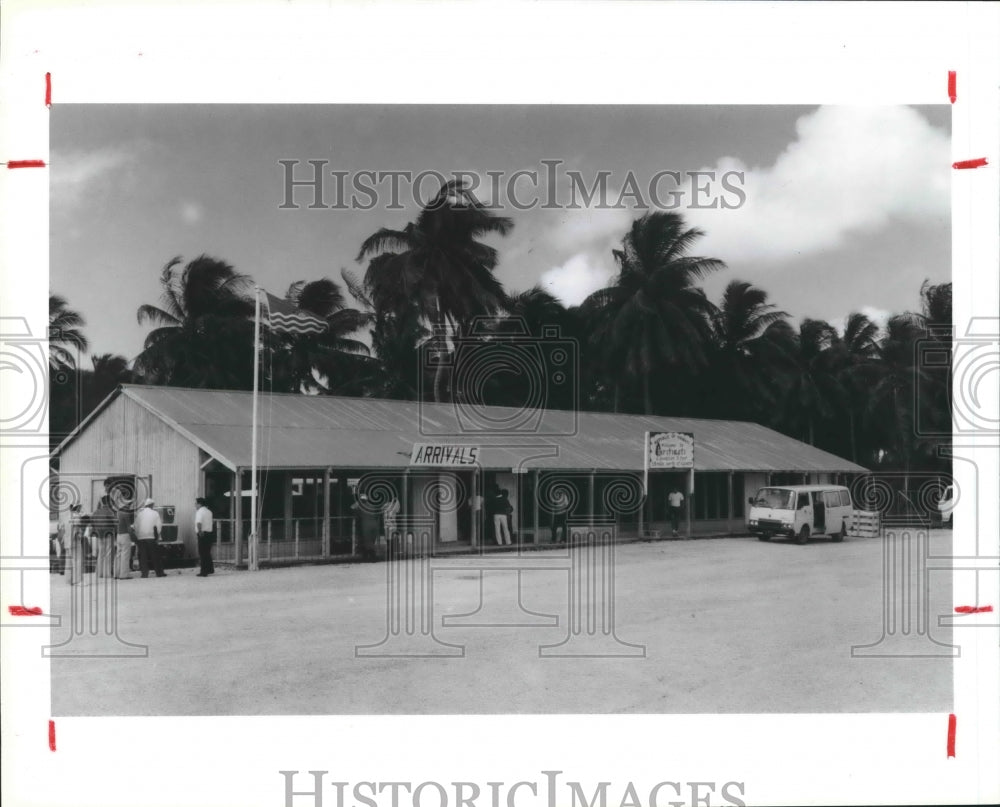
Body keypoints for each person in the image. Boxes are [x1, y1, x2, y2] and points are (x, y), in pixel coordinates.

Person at [131, 498, 166, 578]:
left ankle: (144, 574)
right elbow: (158, 526)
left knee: (143, 556)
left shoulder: (140, 514)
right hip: (151, 537)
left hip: (141, 538)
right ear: (152, 505)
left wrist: (137, 536)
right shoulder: (155, 513)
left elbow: (135, 526)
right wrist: (158, 537)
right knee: (155, 555)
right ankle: (159, 573)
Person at [92, 496, 117, 579]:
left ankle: (99, 573)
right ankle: (107, 573)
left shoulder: (96, 512)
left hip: (99, 535)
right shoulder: (110, 512)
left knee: (100, 553)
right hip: (108, 534)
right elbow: (115, 523)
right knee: (108, 553)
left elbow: (93, 524)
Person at [67, 505, 88, 585]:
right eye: (80, 507)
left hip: (69, 541)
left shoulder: (68, 515)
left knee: (72, 561)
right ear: (77, 507)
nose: (81, 509)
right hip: (75, 541)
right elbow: (76, 530)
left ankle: (71, 580)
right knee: (78, 560)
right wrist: (80, 536)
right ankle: (78, 580)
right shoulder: (76, 516)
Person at [195, 497, 215, 577]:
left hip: (202, 533)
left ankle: (203, 571)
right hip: (209, 533)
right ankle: (210, 569)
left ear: (200, 504)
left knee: (202, 553)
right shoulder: (209, 511)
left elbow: (199, 523)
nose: (195, 505)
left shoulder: (199, 512)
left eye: (196, 504)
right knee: (207, 552)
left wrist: (199, 531)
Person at [114, 505, 133, 580]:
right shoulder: (126, 514)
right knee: (125, 555)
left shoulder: (116, 514)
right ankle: (124, 575)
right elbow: (128, 527)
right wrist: (132, 535)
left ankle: (116, 574)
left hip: (118, 535)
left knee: (118, 555)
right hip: (125, 535)